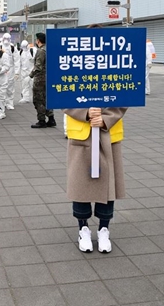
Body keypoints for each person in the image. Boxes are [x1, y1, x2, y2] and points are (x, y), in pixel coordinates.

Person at [63, 107, 127, 253]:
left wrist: (107, 118)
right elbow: (61, 95)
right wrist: (83, 113)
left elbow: (126, 92)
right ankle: (82, 228)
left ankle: (104, 229)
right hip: (81, 131)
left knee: (108, 182)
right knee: (80, 183)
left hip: (108, 131)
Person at [30, 32, 55, 128]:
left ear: (38, 40)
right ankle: (51, 118)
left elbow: (38, 66)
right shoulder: (48, 49)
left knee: (38, 99)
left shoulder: (41, 51)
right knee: (46, 99)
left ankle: (41, 120)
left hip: (40, 78)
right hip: (48, 77)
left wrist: (31, 74)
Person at [2, 33, 17, 110]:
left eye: (8, 39)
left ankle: (10, 103)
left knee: (10, 86)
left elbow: (16, 59)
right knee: (2, 86)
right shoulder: (0, 46)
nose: (6, 40)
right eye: (5, 38)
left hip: (10, 69)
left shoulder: (12, 47)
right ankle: (2, 102)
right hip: (2, 69)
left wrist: (17, 72)